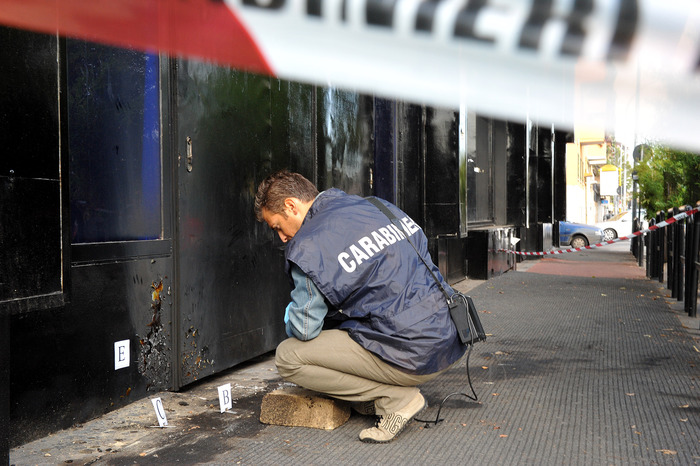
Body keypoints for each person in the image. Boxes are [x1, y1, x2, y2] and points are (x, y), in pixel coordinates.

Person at [254, 170, 466, 443]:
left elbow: (304, 328)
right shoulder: (376, 206)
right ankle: (380, 394)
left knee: (288, 356)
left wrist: (290, 315)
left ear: (291, 206)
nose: (282, 238)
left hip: (413, 355)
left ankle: (396, 399)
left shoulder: (310, 245)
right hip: (449, 336)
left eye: (277, 227)